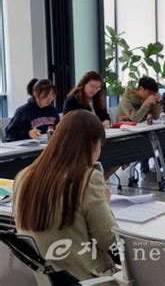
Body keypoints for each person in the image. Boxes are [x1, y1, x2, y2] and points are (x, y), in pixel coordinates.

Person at [13, 110, 118, 283]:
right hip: (87, 278)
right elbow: (110, 240)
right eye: (101, 145)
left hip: (52, 278)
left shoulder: (23, 176)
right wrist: (105, 203)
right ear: (91, 144)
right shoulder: (87, 178)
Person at [116, 76, 162, 174]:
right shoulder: (126, 99)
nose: (151, 96)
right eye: (149, 93)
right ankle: (145, 169)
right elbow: (135, 119)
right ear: (141, 88)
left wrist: (157, 103)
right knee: (149, 142)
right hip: (125, 134)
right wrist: (146, 103)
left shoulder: (146, 99)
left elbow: (156, 116)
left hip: (142, 131)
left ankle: (153, 167)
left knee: (163, 139)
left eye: (153, 94)